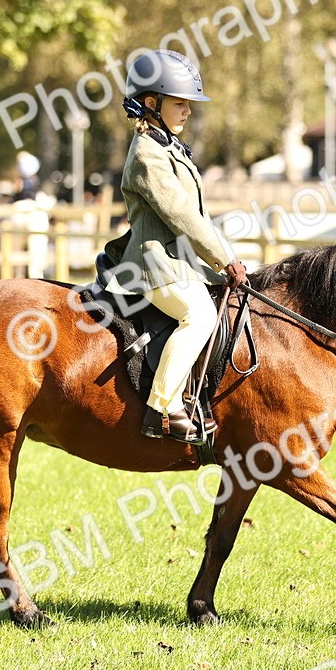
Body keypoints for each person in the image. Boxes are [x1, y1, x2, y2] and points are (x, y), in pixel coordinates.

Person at [101, 49, 247, 441]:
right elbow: (182, 215)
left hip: (179, 261)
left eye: (189, 105)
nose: (187, 112)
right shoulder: (148, 155)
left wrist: (221, 259)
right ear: (152, 103)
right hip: (155, 265)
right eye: (180, 103)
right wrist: (225, 257)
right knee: (197, 316)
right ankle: (160, 409)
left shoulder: (167, 147)